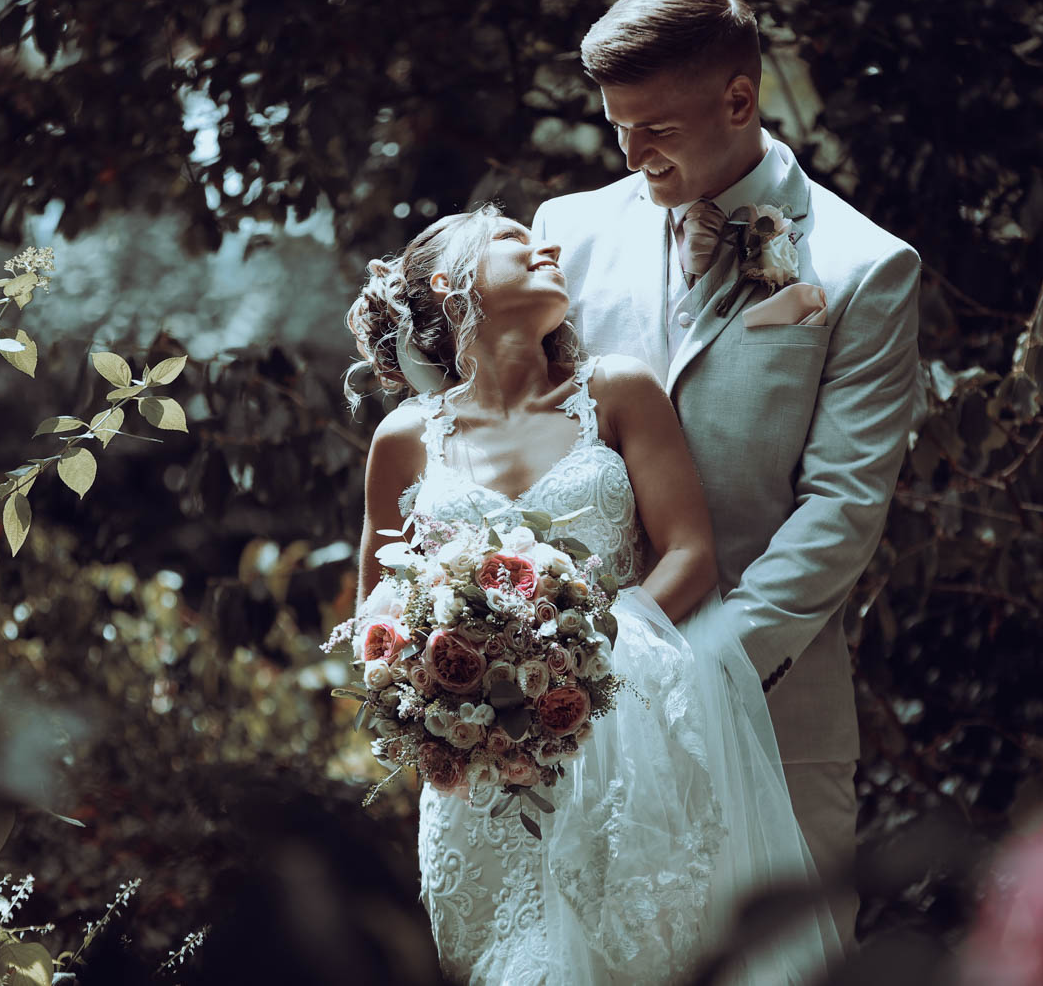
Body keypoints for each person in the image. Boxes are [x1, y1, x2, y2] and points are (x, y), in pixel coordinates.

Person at [346, 205, 841, 985]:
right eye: (512, 239)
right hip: (482, 769)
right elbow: (375, 614)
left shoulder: (613, 390)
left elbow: (690, 552)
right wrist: (437, 690)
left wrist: (583, 645)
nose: (543, 245)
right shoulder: (404, 439)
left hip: (621, 721)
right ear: (448, 286)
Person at [532, 0, 924, 946]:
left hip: (771, 710)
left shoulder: (863, 264)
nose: (630, 153)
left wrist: (694, 666)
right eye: (616, 125)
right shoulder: (561, 237)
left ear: (738, 99)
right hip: (575, 715)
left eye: (654, 127)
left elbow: (841, 504)